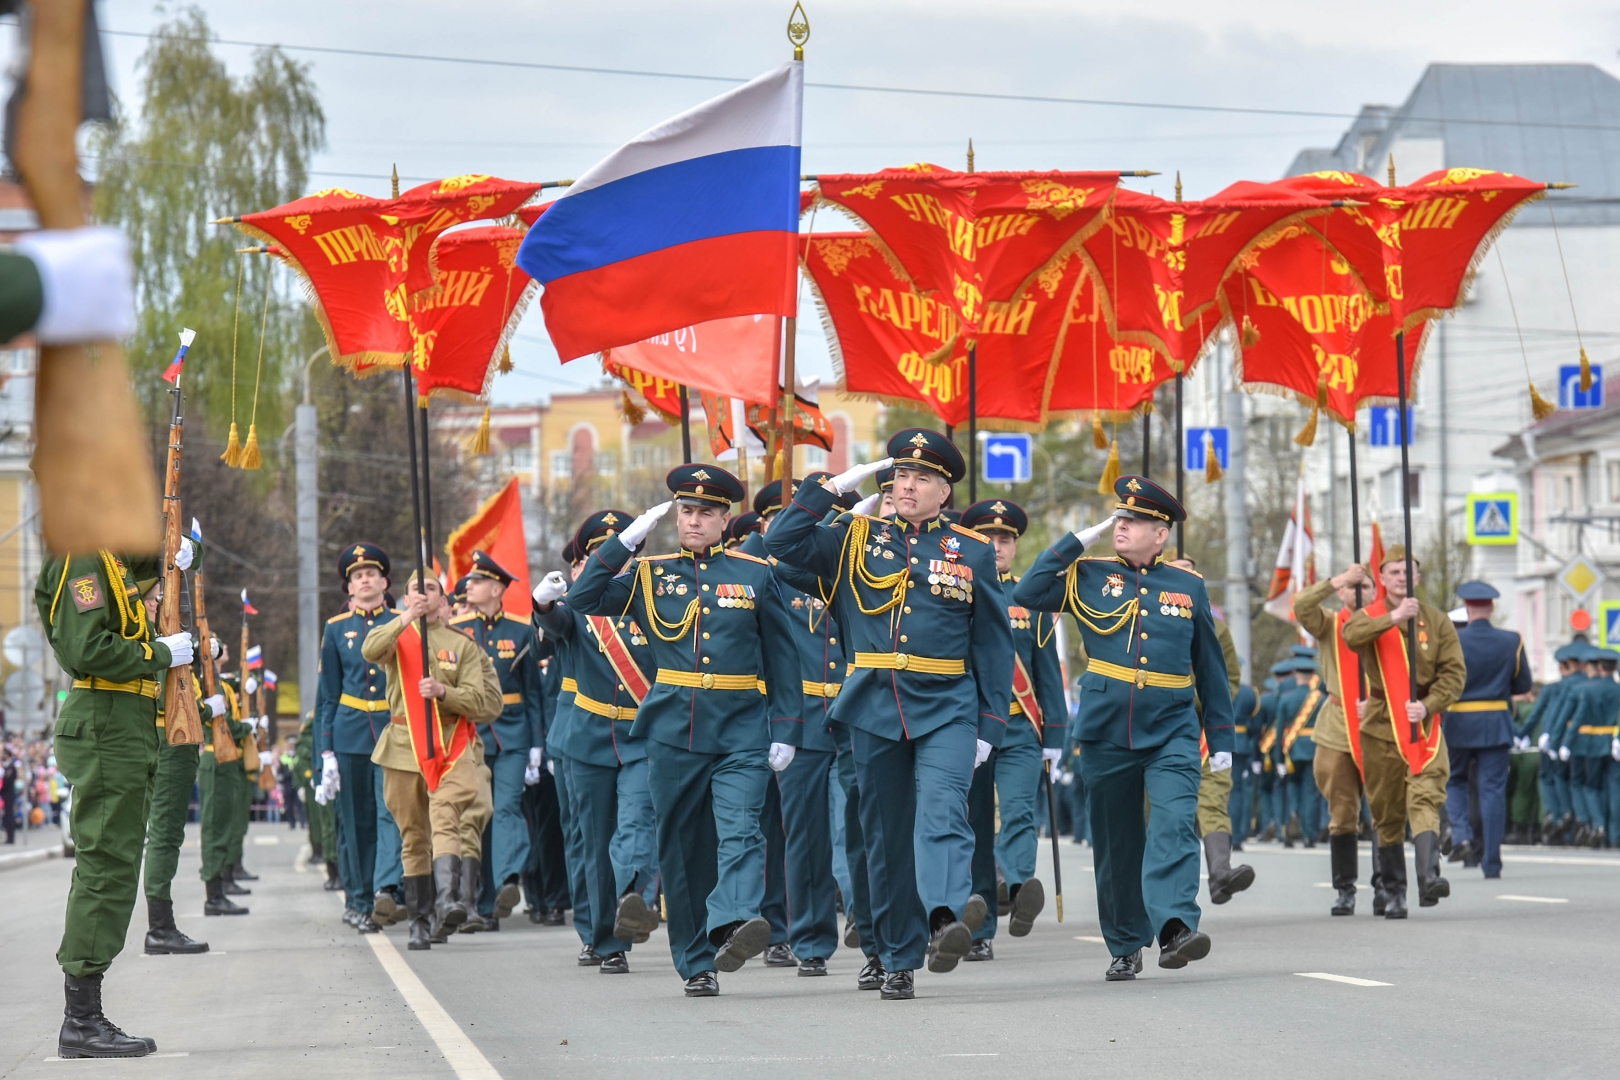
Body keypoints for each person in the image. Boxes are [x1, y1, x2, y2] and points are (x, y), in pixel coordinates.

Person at [767, 430, 1012, 1000]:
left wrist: (990, 724)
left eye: (922, 477)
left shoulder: (972, 551)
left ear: (945, 491)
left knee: (944, 813)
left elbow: (994, 645)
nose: (907, 484)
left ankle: (944, 919)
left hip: (948, 703)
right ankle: (894, 955)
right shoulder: (853, 538)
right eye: (901, 475)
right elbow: (781, 544)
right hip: (874, 703)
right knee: (883, 835)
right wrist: (829, 490)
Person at [569, 464, 802, 998]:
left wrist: (786, 727)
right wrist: (624, 544)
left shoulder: (754, 574)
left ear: (725, 520)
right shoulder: (650, 573)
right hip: (674, 729)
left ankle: (733, 922)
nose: (693, 520)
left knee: (742, 828)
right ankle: (697, 961)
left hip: (742, 725)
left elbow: (783, 658)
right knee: (682, 847)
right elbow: (582, 600)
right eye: (686, 511)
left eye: (705, 513)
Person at [1014, 475, 1233, 980]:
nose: (1122, 525)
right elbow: (1027, 590)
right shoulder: (1087, 574)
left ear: (1161, 534)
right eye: (1119, 517)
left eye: (1134, 521)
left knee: (1175, 823)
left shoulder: (1188, 586)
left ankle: (1176, 926)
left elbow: (1211, 667)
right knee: (1117, 843)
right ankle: (1125, 940)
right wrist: (1075, 542)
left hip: (1173, 726)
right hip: (1107, 727)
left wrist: (1221, 736)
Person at [38, 546, 197, 1058]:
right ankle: (80, 1019)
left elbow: (133, 576)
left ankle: (86, 1014)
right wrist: (158, 654)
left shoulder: (110, 561)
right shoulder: (81, 560)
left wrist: (170, 557)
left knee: (119, 863)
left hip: (126, 720)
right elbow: (88, 647)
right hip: (105, 716)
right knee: (105, 864)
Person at [532, 512, 658, 974]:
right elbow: (553, 628)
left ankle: (631, 902)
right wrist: (542, 605)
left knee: (638, 825)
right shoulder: (579, 607)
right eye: (598, 556)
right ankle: (603, 939)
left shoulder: (651, 600)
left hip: (642, 738)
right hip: (587, 739)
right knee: (593, 840)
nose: (613, 564)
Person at [363, 569, 504, 949]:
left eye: (431, 589)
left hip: (450, 745)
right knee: (413, 836)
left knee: (447, 820)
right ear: (406, 598)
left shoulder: (463, 644)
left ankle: (447, 900)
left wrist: (444, 691)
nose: (423, 594)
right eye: (415, 589)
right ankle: (419, 920)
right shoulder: (398, 632)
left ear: (444, 600)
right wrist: (405, 618)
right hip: (403, 746)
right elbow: (371, 650)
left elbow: (480, 700)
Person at [750, 475, 855, 976]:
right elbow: (761, 546)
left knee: (859, 828)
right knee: (807, 838)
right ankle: (811, 941)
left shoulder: (855, 567)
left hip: (858, 716)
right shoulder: (770, 571)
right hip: (806, 721)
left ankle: (871, 926)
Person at [959, 498, 1066, 959]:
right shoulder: (957, 592)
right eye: (988, 538)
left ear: (1015, 547)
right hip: (969, 726)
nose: (997, 546)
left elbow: (1046, 672)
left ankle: (1021, 888)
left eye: (1005, 539)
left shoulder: (1031, 600)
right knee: (976, 823)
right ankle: (981, 930)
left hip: (1021, 728)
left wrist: (1056, 736)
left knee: (1021, 811)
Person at [1341, 547, 1465, 919]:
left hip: (1423, 722)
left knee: (1426, 797)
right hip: (1381, 724)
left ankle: (1429, 877)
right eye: (1393, 572)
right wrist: (1395, 618)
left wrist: (1429, 705)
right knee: (1387, 811)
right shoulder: (1372, 616)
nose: (1401, 578)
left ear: (1418, 578)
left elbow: (1454, 673)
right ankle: (1394, 891)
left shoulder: (1437, 620)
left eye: (1407, 571)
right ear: (1382, 579)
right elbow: (1351, 634)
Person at [448, 550, 545, 928]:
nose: (469, 586)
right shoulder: (458, 629)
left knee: (506, 807)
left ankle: (507, 879)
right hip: (472, 734)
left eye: (477, 581)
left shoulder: (521, 630)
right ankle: (482, 904)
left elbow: (533, 690)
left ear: (496, 588)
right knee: (480, 816)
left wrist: (538, 742)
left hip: (514, 733)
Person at [314, 544, 403, 933]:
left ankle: (388, 891)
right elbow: (327, 695)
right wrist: (325, 752)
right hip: (350, 733)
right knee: (354, 822)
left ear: (384, 582)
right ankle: (359, 900)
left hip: (393, 730)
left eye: (371, 573)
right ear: (348, 589)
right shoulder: (336, 628)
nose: (364, 579)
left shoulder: (403, 622)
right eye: (356, 575)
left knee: (393, 816)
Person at [141, 573, 226, 954]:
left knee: (165, 833)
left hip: (170, 740)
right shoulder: (152, 639)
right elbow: (173, 700)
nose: (160, 604)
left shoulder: (159, 638)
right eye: (155, 598)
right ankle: (160, 927)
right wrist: (208, 709)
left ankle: (161, 924)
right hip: (169, 740)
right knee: (165, 834)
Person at [1168, 556, 1250, 904]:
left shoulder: (1217, 628)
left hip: (1204, 730)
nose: (1186, 581)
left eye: (1192, 574)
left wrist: (1205, 704)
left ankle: (1220, 873)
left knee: (1213, 801)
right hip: (1161, 729)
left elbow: (1229, 679)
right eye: (1177, 573)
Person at [1295, 568, 1376, 915]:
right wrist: (1336, 580)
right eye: (1352, 587)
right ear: (1342, 593)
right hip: (1337, 725)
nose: (1359, 592)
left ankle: (1388, 885)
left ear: (1376, 592)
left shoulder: (1387, 623)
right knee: (1342, 813)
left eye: (1366, 586)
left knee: (1384, 812)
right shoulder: (1330, 624)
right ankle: (1345, 889)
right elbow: (1301, 606)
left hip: (1378, 723)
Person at [1444, 581, 1533, 878]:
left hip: (1458, 721)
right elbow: (1523, 685)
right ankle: (1492, 862)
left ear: (1466, 608)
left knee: (1454, 781)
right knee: (1492, 790)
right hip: (1496, 722)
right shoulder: (1512, 640)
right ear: (1492, 607)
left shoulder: (1452, 641)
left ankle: (1462, 835)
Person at [1549, 644, 1619, 848]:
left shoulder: (1587, 690)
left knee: (1591, 787)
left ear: (1598, 667)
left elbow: (1577, 718)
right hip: (1614, 742)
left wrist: (1564, 742)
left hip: (1591, 744)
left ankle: (1598, 825)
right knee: (1614, 789)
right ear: (1614, 667)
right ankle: (1615, 836)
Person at [198, 665, 252, 916]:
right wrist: (248, 727)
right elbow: (224, 724)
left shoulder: (224, 685)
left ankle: (219, 887)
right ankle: (214, 893)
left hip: (225, 760)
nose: (224, 650)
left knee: (225, 826)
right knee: (216, 827)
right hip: (217, 759)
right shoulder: (212, 685)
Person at [1523, 642, 1585, 844]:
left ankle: (1560, 816)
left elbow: (1539, 714)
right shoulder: (1587, 685)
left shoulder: (1555, 688)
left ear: (1566, 665)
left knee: (1550, 778)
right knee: (1580, 784)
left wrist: (1524, 733)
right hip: (1583, 741)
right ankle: (1578, 826)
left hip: (1556, 740)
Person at [1273, 652, 1326, 848]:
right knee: (1311, 794)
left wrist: (1278, 759)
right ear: (1313, 676)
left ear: (1296, 676)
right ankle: (1308, 835)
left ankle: (1289, 829)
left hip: (1292, 751)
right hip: (1315, 749)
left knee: (1291, 790)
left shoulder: (1286, 698)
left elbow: (1280, 732)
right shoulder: (1321, 699)